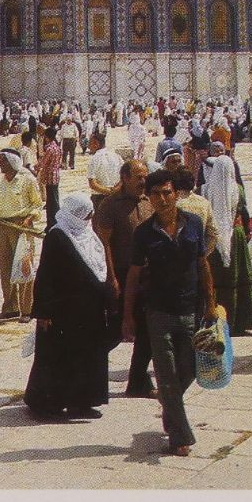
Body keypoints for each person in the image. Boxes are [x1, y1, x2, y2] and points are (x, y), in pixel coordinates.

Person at [121, 169, 215, 456]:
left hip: (190, 311)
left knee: (189, 371)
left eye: (167, 193)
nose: (162, 199)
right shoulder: (144, 233)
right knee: (167, 374)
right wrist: (127, 316)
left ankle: (169, 407)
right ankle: (180, 436)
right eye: (156, 194)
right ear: (149, 198)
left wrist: (211, 303)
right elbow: (134, 277)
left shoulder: (195, 224)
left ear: (176, 193)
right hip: (158, 313)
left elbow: (203, 265)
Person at [24, 192, 113, 420]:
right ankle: (48, 404)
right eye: (86, 215)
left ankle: (82, 403)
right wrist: (42, 312)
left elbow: (97, 266)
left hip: (88, 311)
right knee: (59, 359)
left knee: (87, 357)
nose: (89, 219)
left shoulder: (87, 235)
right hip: (62, 313)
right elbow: (45, 276)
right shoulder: (57, 236)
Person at [95, 159, 154, 398]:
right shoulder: (110, 205)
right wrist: (112, 278)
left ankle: (138, 381)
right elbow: (103, 242)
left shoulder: (149, 202)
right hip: (121, 275)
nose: (143, 181)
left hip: (147, 278)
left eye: (145, 176)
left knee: (148, 329)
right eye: (138, 177)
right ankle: (86, 368)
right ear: (125, 177)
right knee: (116, 331)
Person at [202, 145, 252, 336]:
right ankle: (239, 321)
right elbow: (242, 210)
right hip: (236, 235)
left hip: (215, 238)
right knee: (238, 276)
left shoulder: (205, 190)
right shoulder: (239, 190)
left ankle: (219, 319)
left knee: (219, 279)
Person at [0, 148, 44, 322]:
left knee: (24, 267)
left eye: (2, 160)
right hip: (3, 227)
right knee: (6, 269)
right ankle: (11, 307)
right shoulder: (0, 182)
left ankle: (27, 309)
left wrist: (29, 219)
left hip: (21, 227)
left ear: (12, 162)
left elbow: (37, 204)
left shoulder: (27, 179)